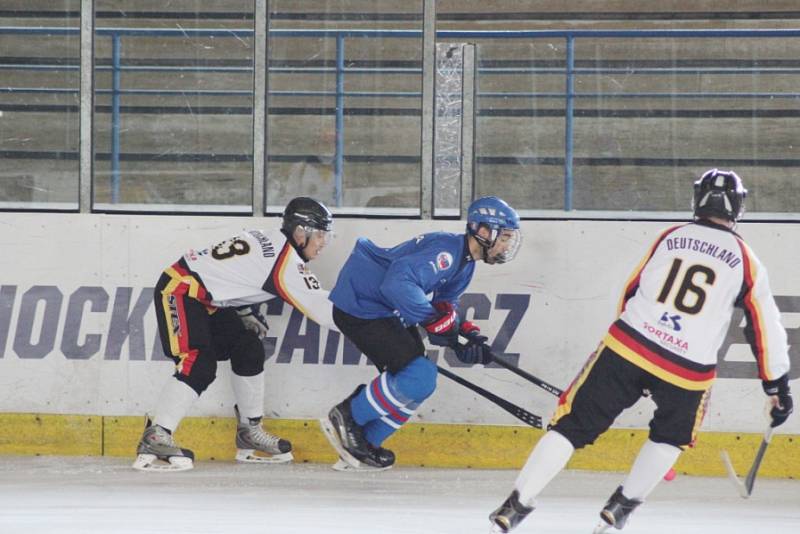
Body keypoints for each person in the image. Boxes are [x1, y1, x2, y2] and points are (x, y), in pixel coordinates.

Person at [488, 169, 793, 533]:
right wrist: (777, 387)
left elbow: (632, 291)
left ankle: (514, 506)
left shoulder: (671, 236)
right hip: (687, 370)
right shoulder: (746, 260)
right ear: (738, 207)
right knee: (671, 437)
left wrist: (635, 350)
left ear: (697, 199)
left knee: (571, 427)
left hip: (629, 345)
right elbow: (764, 327)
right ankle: (620, 508)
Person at [133, 197, 337, 471]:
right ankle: (156, 435)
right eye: (321, 234)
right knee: (199, 362)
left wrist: (242, 310)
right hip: (180, 290)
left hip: (204, 297)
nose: (324, 242)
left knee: (248, 346)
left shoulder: (271, 239)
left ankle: (249, 432)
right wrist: (378, 319)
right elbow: (326, 313)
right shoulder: (286, 263)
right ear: (301, 232)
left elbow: (233, 274)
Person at [319, 196, 522, 471]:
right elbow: (397, 283)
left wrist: (463, 336)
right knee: (419, 376)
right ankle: (346, 416)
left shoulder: (465, 262)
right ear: (484, 231)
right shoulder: (448, 252)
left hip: (380, 309)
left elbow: (445, 305)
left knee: (422, 380)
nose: (508, 244)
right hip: (362, 305)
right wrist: (432, 320)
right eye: (506, 236)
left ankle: (363, 443)